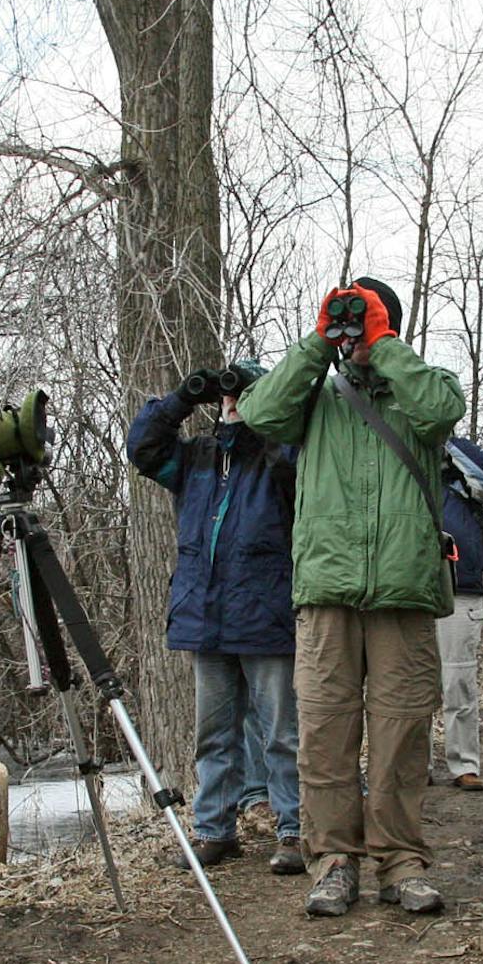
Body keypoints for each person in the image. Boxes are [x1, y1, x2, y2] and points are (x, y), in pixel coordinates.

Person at [237, 277, 464, 917]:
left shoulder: (421, 386)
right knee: (324, 735)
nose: (354, 330)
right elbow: (258, 413)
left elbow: (443, 412)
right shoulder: (315, 396)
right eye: (350, 320)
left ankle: (401, 861)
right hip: (327, 592)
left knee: (400, 735)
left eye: (367, 318)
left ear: (389, 323)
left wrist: (382, 344)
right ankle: (334, 861)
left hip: (404, 591)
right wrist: (318, 342)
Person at [127, 362, 304, 875]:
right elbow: (144, 448)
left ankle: (292, 829)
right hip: (207, 616)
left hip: (266, 615)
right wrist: (183, 397)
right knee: (215, 733)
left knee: (281, 734)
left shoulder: (278, 456)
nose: (231, 404)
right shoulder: (195, 460)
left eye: (243, 395)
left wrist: (263, 418)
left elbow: (298, 469)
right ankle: (214, 830)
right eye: (227, 398)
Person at [433, 436, 483, 791]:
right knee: (409, 686)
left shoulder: (464, 474)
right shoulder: (400, 461)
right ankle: (412, 764)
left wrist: (443, 436)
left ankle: (464, 764)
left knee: (458, 681)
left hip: (461, 592)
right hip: (409, 591)